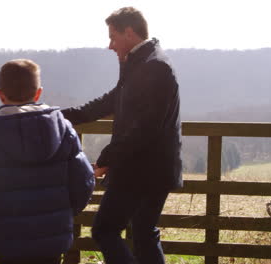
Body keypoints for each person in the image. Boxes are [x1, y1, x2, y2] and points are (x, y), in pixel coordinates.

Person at [61, 7, 183, 264]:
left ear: (129, 33)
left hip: (140, 169)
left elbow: (145, 127)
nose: (110, 45)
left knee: (105, 230)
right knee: (143, 233)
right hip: (150, 168)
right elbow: (114, 99)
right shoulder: (144, 62)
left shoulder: (155, 67)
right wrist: (64, 115)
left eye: (113, 37)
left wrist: (107, 157)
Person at [0, 59, 95, 264]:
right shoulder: (63, 128)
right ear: (38, 93)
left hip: (8, 238)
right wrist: (65, 211)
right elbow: (84, 181)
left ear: (0, 94)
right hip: (52, 236)